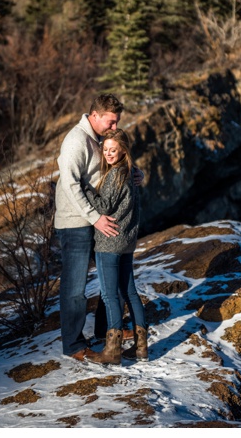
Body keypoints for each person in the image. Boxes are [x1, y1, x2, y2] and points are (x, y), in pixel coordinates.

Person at [55, 94, 140, 361]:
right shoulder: (75, 141)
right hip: (76, 223)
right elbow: (70, 185)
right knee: (75, 289)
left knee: (110, 280)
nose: (115, 128)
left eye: (117, 123)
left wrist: (135, 173)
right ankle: (73, 345)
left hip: (96, 220)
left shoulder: (100, 139)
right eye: (111, 122)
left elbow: (111, 167)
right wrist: (95, 218)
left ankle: (107, 330)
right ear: (95, 115)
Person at [83, 129, 148, 365]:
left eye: (113, 150)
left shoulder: (114, 175)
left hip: (110, 242)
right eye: (106, 149)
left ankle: (112, 351)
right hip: (127, 242)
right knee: (129, 291)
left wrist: (86, 188)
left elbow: (103, 206)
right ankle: (141, 347)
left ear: (123, 151)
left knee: (110, 295)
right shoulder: (131, 173)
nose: (108, 154)